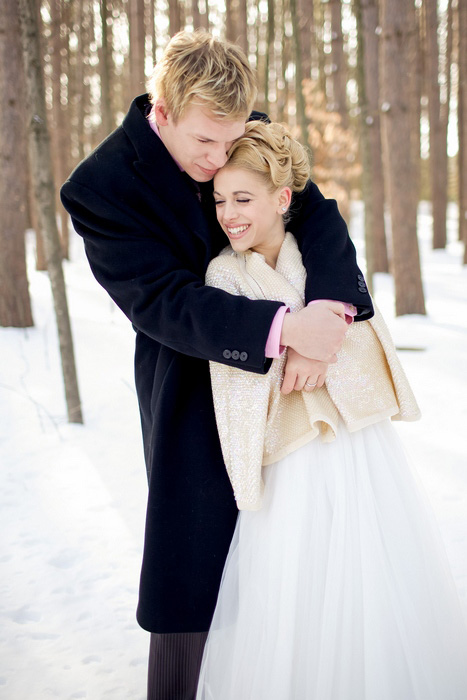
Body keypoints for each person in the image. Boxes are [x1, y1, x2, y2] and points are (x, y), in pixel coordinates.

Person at [60, 31, 373, 699]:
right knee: (193, 569)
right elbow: (162, 302)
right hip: (192, 387)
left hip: (297, 389)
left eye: (227, 142)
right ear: (163, 111)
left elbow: (315, 217)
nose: (216, 157)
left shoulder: (239, 130)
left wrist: (328, 311)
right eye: (203, 142)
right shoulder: (100, 186)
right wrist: (285, 329)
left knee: (302, 560)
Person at [196, 120, 467, 699]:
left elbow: (362, 336)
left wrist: (323, 351)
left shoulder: (318, 259)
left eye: (243, 198)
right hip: (290, 455)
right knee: (299, 580)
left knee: (368, 569)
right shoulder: (224, 272)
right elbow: (233, 380)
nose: (228, 213)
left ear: (282, 198)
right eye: (219, 200)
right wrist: (292, 348)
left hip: (353, 444)